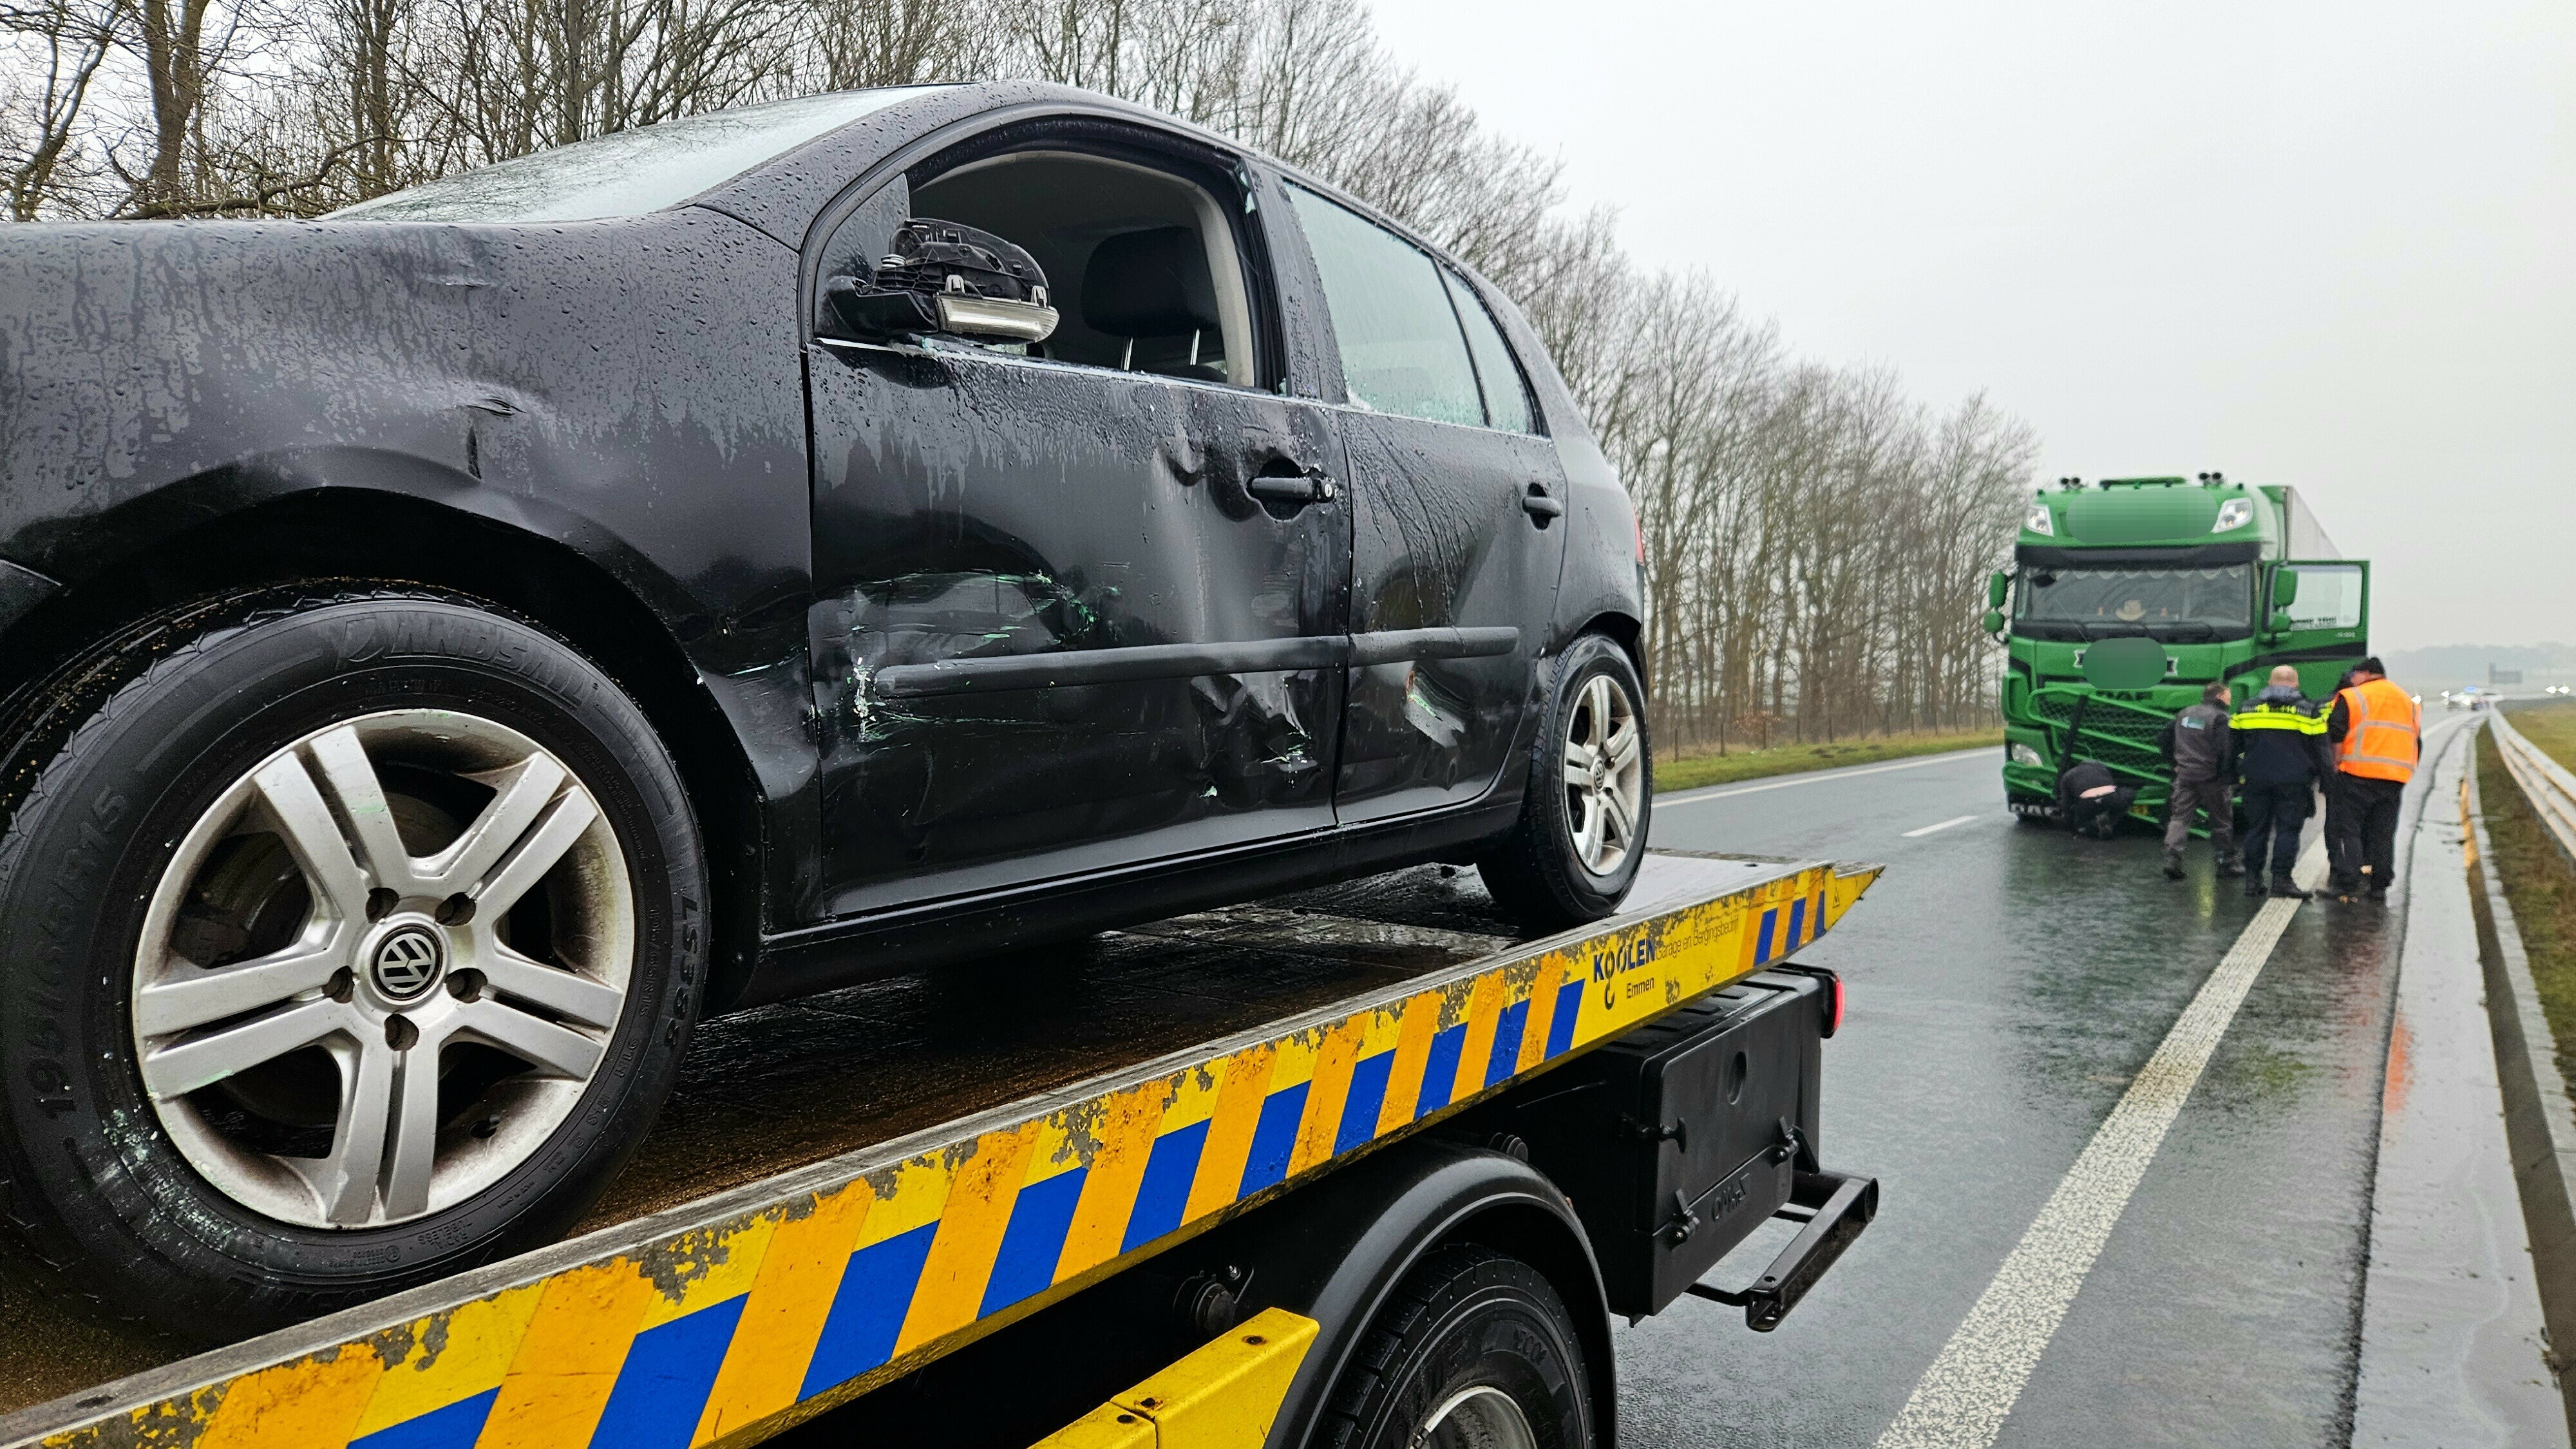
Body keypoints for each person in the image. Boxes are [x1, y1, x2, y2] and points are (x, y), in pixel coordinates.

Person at [2231, 665, 2333, 900]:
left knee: (2256, 830)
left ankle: (2252, 881)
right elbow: (2322, 752)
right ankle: (2281, 881)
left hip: (2256, 780)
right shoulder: (2308, 712)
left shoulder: (2247, 708)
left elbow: (2231, 747)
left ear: (2269, 682)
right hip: (2294, 782)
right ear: (2296, 684)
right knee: (2288, 830)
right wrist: (2328, 783)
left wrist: (2231, 775)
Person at [2327, 658, 2421, 902]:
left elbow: (2336, 731)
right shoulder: (2407, 701)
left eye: (2354, 674)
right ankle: (2379, 886)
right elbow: (2415, 740)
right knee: (2383, 833)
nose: (2351, 678)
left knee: (2350, 830)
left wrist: (2336, 764)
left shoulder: (2353, 697)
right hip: (2393, 779)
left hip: (2356, 774)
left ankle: (2348, 882)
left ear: (2367, 674)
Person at [2155, 681, 2240, 880]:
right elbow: (2224, 751)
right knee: (2221, 821)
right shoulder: (2220, 718)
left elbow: (2162, 739)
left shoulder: (2185, 713)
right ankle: (2225, 863)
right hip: (2212, 778)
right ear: (2220, 697)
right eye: (2229, 696)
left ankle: (2172, 858)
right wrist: (2225, 776)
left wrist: (2174, 764)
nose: (2230, 700)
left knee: (2179, 819)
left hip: (2185, 776)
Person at [2322, 668, 2360, 891]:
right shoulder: (2358, 704)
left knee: (2333, 819)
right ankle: (2356, 862)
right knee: (2354, 821)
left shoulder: (2323, 705)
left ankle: (2336, 862)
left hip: (2331, 770)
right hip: (2356, 769)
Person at [2058, 758, 2137, 839]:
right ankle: (2110, 819)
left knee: (2081, 823)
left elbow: (2066, 803)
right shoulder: (2101, 768)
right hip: (2109, 798)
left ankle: (2092, 826)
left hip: (2087, 802)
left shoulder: (2067, 776)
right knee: (2128, 794)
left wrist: (2068, 821)